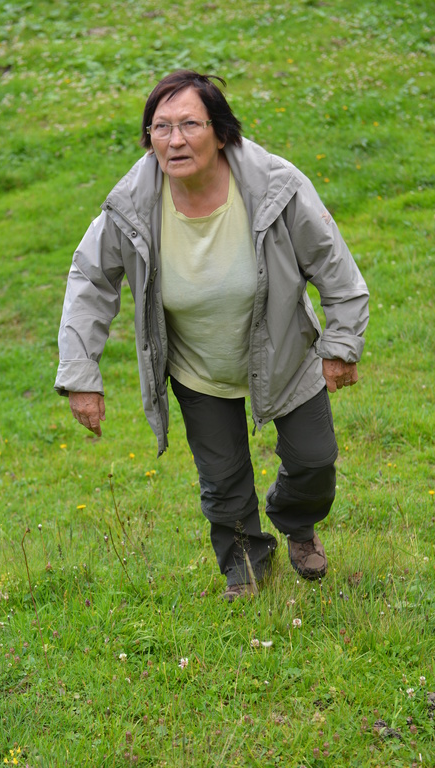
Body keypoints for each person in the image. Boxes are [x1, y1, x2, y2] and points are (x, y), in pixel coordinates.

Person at [55, 70, 369, 602]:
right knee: (222, 480)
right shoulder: (131, 204)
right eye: (160, 127)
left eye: (189, 125)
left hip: (286, 354)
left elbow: (332, 263)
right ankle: (244, 567)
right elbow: (90, 280)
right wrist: (81, 374)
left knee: (314, 461)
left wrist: (341, 343)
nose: (174, 140)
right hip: (199, 366)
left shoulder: (276, 186)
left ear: (221, 133)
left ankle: (295, 519)